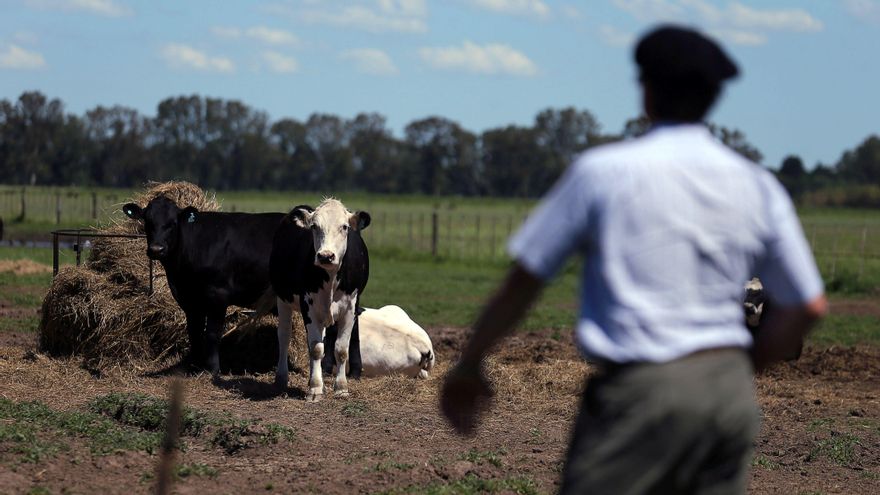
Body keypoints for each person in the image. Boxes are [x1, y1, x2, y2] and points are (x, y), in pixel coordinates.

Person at [440, 24, 827, 494]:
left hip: (641, 391)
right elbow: (808, 305)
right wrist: (741, 372)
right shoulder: (757, 185)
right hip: (728, 396)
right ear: (713, 99)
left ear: (646, 92)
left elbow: (524, 281)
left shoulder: (602, 173)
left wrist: (470, 364)